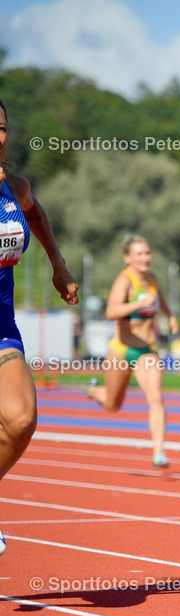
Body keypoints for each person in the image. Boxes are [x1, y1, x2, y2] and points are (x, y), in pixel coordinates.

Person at [1, 97, 80, 555]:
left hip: (0, 325)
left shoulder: (14, 187)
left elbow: (35, 213)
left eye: (1, 127)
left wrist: (59, 265)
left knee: (21, 418)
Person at [87, 235, 178, 468]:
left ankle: (159, 452)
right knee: (112, 405)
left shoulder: (152, 279)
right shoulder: (124, 281)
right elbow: (111, 312)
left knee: (156, 398)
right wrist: (138, 303)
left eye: (147, 253)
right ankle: (93, 389)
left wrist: (170, 316)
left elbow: (161, 301)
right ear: (128, 258)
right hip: (121, 351)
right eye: (139, 254)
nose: (145, 258)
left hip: (147, 351)